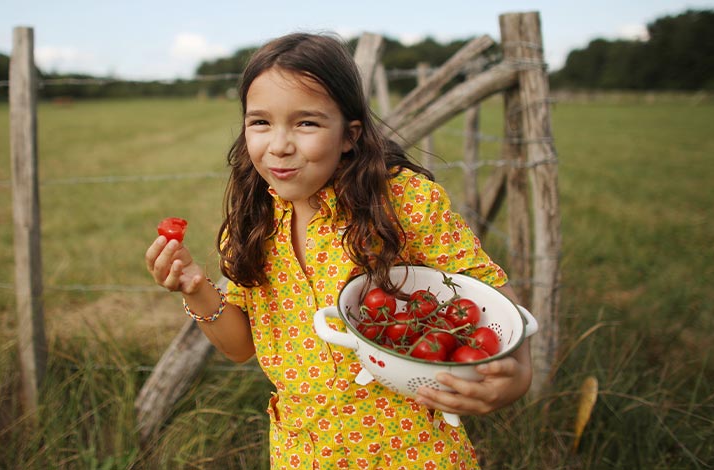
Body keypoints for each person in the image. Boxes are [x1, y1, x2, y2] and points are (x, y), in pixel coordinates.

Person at [146, 32, 532, 469]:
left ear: (349, 135)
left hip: (414, 454)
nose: (279, 145)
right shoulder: (253, 223)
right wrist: (194, 286)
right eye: (260, 122)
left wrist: (516, 377)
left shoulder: (402, 201)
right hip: (304, 454)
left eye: (306, 123)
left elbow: (494, 300)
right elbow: (240, 348)